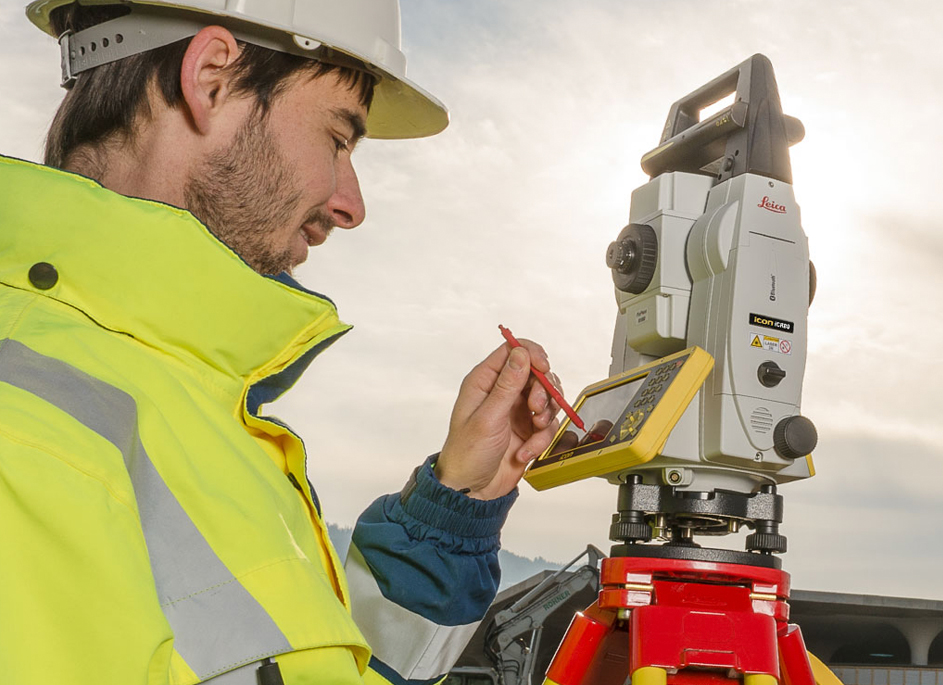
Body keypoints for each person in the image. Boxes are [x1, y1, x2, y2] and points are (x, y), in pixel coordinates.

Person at [0, 1, 564, 683]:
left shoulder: (178, 399)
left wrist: (457, 502)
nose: (351, 204)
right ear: (211, 79)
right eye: (338, 137)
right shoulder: (28, 438)